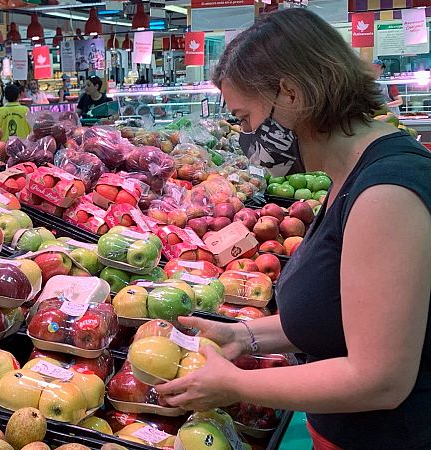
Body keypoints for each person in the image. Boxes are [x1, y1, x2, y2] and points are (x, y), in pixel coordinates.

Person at [153, 9, 431, 449]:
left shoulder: (387, 194)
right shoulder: (352, 175)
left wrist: (234, 385)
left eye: (245, 118)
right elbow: (340, 315)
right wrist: (243, 336)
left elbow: (380, 379)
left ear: (290, 94)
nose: (245, 136)